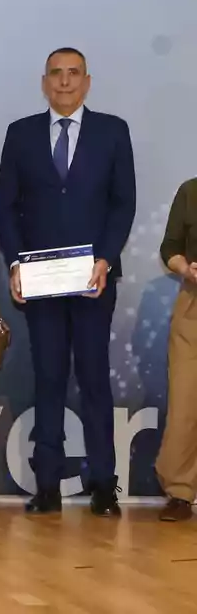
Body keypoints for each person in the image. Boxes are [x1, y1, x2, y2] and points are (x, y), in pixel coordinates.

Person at [0, 47, 135, 516]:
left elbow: (123, 204)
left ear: (88, 81)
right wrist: (15, 264)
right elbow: (7, 208)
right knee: (49, 377)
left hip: (94, 280)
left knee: (94, 378)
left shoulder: (113, 131)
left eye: (74, 74)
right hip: (40, 283)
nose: (65, 82)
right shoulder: (21, 134)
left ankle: (102, 484)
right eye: (56, 74)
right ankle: (48, 486)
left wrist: (106, 259)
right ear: (44, 82)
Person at [153, 179, 197, 522]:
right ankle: (180, 493)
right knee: (184, 403)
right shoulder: (190, 191)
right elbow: (170, 248)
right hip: (193, 307)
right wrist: (186, 268)